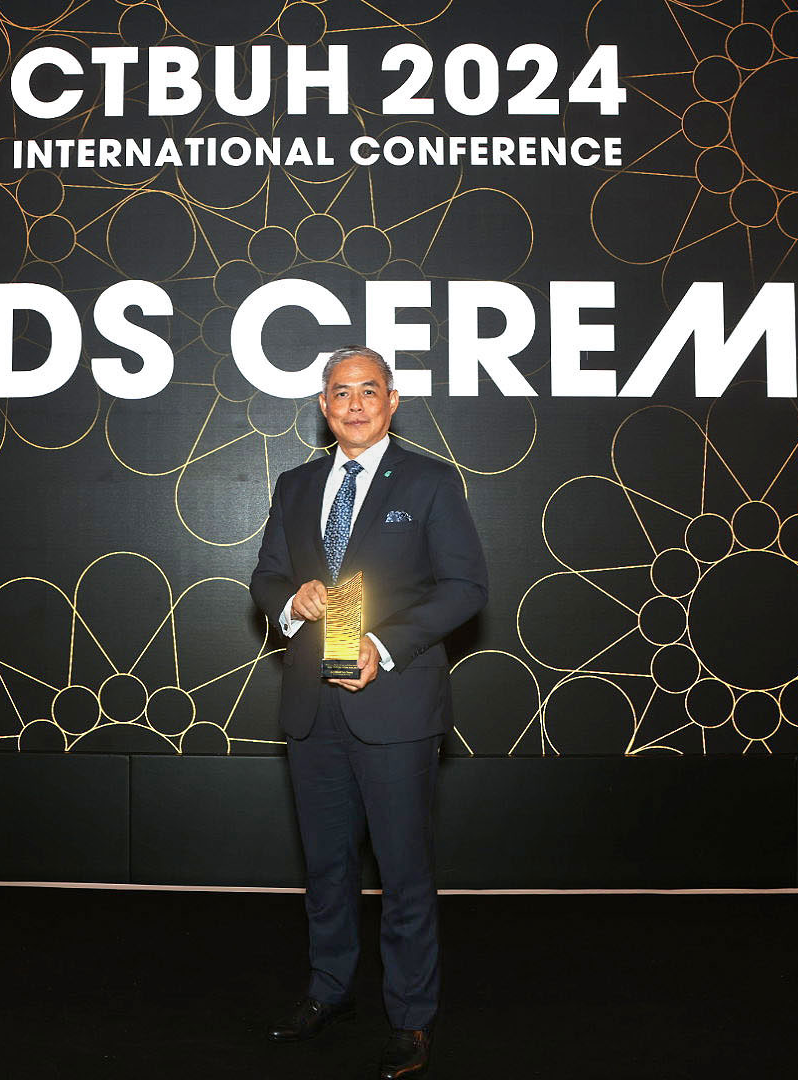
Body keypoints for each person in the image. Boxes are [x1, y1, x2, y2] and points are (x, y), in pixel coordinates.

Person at [250, 345, 488, 1079]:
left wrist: (383, 646)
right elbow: (266, 576)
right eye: (340, 392)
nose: (354, 404)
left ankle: (411, 1018)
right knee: (325, 867)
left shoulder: (430, 481)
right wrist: (290, 602)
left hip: (395, 706)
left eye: (369, 390)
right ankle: (329, 992)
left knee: (403, 872)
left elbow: (465, 587)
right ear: (323, 406)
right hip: (311, 706)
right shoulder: (295, 485)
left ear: (392, 401)